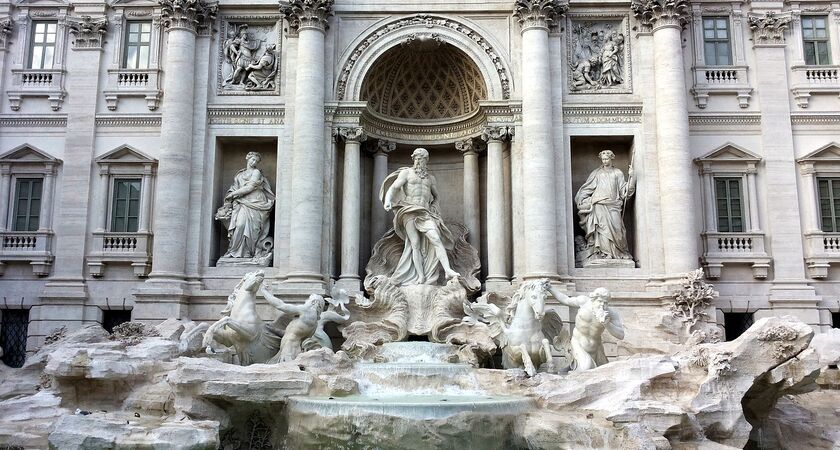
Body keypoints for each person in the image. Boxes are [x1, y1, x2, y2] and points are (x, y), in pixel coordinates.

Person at [381, 148, 460, 285]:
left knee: (436, 238)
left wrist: (435, 207)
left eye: (421, 159)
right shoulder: (407, 173)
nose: (418, 161)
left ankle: (447, 270)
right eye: (416, 159)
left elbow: (436, 196)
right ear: (413, 159)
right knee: (415, 244)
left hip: (425, 212)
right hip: (409, 210)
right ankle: (420, 276)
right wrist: (388, 200)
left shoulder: (430, 178)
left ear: (426, 160)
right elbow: (393, 188)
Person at [574, 150, 635, 262]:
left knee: (617, 230)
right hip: (599, 204)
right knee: (602, 230)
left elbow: (625, 192)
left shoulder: (618, 173)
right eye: (603, 159)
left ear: (611, 158)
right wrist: (581, 198)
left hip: (614, 205)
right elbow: (587, 188)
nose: (604, 161)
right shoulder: (596, 173)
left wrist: (632, 178)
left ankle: (618, 253)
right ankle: (604, 253)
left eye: (606, 159)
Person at [547, 286, 625, 371]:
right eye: (600, 301)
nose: (602, 305)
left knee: (605, 371)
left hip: (596, 348)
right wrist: (550, 288)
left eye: (605, 303)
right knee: (585, 368)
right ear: (594, 299)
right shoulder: (584, 302)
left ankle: (571, 368)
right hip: (578, 344)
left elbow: (621, 335)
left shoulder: (611, 314)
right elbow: (565, 299)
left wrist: (607, 324)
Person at [218, 152, 275, 260]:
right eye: (253, 159)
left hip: (256, 201)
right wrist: (231, 196)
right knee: (239, 225)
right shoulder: (239, 174)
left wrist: (233, 194)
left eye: (256, 161)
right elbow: (234, 187)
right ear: (247, 158)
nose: (254, 162)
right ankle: (234, 251)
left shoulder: (256, 172)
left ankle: (249, 252)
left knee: (253, 229)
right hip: (242, 202)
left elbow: (250, 187)